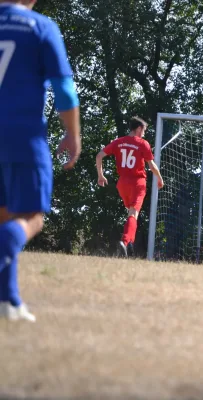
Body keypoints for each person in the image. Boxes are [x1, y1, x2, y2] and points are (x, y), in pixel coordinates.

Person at [0, 0, 81, 321]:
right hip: (22, 136)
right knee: (32, 217)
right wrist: (73, 134)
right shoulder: (40, 26)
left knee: (6, 217)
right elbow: (64, 89)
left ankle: (8, 302)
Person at [96, 117, 164, 257]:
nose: (144, 133)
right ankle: (126, 241)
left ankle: (130, 244)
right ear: (138, 128)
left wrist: (100, 176)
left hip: (122, 184)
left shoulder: (118, 142)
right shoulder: (143, 143)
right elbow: (151, 166)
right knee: (133, 214)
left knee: (131, 213)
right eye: (144, 130)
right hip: (138, 183)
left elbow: (99, 156)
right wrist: (160, 178)